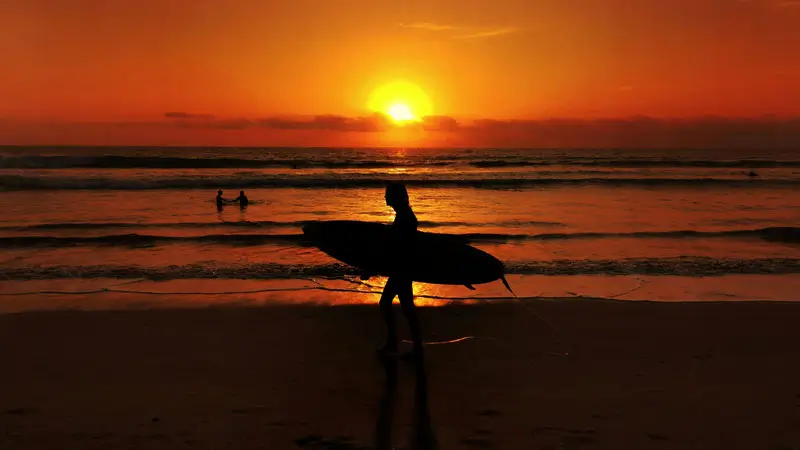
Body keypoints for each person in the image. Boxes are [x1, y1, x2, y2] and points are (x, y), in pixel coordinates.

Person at [379, 182, 423, 358]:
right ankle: (412, 347)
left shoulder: (405, 217)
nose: (385, 198)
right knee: (407, 308)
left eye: (388, 194)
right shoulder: (404, 215)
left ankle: (393, 343)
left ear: (395, 197)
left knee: (388, 304)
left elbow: (401, 247)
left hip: (402, 270)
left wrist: (377, 265)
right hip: (403, 268)